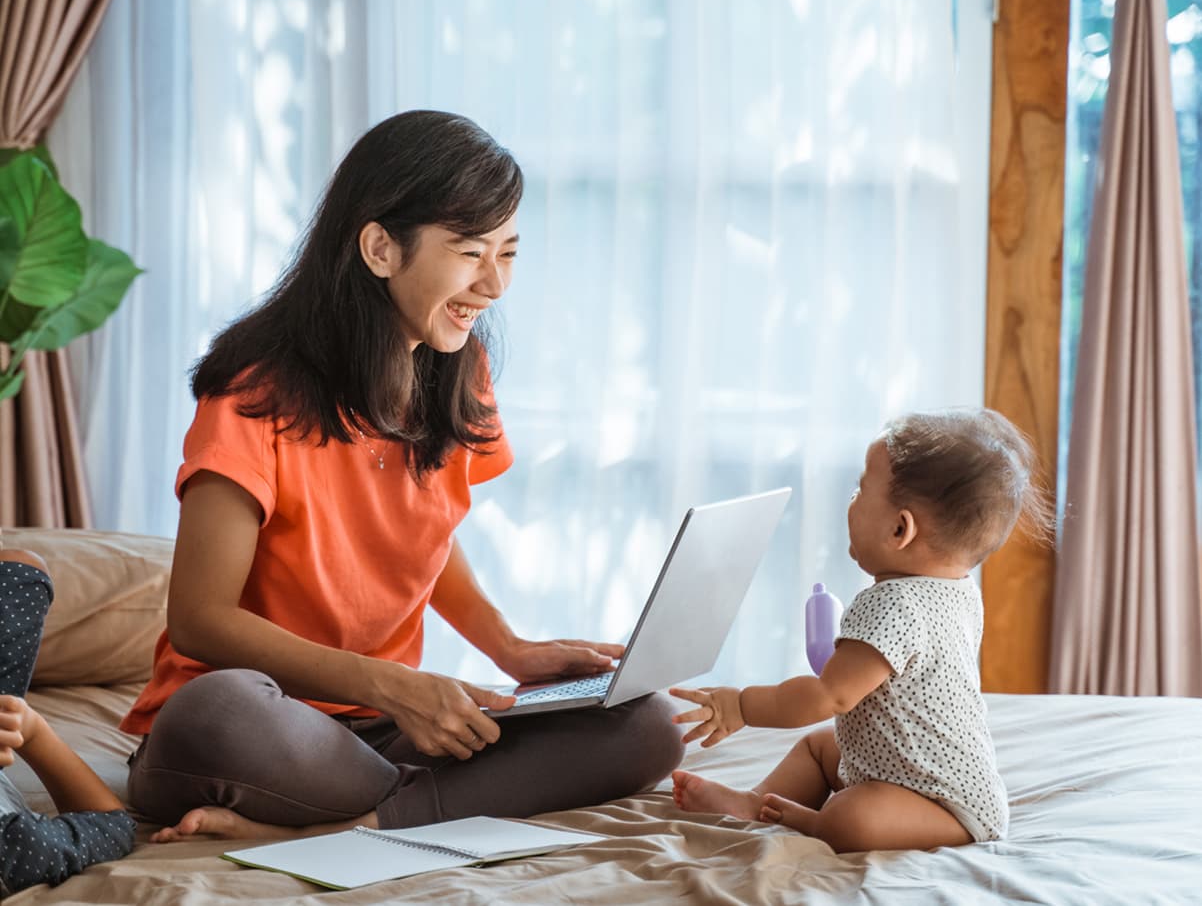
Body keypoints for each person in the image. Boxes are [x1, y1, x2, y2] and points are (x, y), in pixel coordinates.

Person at [120, 110, 682, 842]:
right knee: (219, 710)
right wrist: (390, 684)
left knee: (647, 722)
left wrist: (510, 649)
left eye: (508, 253)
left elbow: (423, 533)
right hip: (261, 726)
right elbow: (200, 618)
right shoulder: (252, 393)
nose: (494, 283)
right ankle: (424, 808)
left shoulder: (460, 370)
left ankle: (360, 822)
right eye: (471, 252)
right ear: (381, 248)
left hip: (374, 737)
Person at [669, 408, 1053, 853]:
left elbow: (828, 696)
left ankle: (808, 821)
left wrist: (741, 706)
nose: (850, 500)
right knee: (819, 749)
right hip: (901, 768)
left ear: (899, 528)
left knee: (853, 814)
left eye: (860, 490)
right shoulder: (960, 590)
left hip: (947, 807)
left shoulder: (892, 603)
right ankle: (757, 802)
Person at [0, 549, 136, 894]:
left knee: (23, 568)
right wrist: (31, 730)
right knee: (24, 569)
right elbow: (112, 824)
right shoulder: (18, 848)